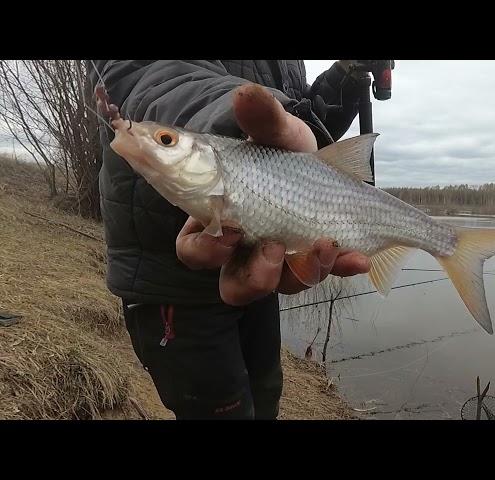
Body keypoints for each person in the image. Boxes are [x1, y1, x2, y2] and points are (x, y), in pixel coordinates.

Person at [88, 60, 371, 419]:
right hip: (175, 283)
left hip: (259, 270)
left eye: (165, 140)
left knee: (267, 394)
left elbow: (297, 142)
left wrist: (342, 80)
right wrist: (229, 111)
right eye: (167, 141)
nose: (161, 143)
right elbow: (143, 71)